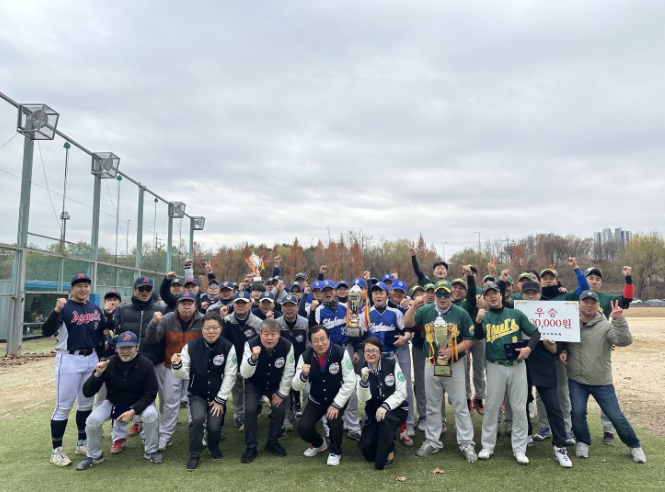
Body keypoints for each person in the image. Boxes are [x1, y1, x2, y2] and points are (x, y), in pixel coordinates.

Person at [560, 291, 646, 463]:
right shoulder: (570, 323)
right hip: (576, 380)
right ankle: (583, 441)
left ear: (598, 305)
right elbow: (563, 341)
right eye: (585, 301)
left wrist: (618, 320)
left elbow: (624, 341)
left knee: (615, 416)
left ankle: (634, 445)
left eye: (593, 302)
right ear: (579, 304)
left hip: (601, 381)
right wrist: (562, 350)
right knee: (577, 413)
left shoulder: (605, 325)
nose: (589, 305)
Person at [404, 280, 478, 463]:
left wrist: (453, 350)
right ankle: (433, 440)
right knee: (432, 404)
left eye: (446, 294)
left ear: (451, 295)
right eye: (439, 294)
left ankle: (466, 443)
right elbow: (408, 322)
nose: (442, 297)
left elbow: (471, 338)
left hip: (454, 363)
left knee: (460, 404)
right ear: (434, 295)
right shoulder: (426, 310)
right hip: (432, 362)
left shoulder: (460, 313)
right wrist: (414, 306)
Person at [474, 282, 541, 465]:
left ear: (501, 295)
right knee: (492, 407)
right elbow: (478, 336)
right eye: (488, 294)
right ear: (484, 298)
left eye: (495, 292)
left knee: (519, 407)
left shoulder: (515, 314)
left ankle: (519, 448)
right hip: (495, 365)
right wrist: (478, 321)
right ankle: (487, 446)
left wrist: (528, 348)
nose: (492, 296)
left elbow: (535, 333)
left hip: (517, 365)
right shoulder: (484, 317)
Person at [75, 331, 162, 469]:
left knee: (151, 415)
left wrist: (133, 411)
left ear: (137, 347)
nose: (125, 351)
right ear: (116, 347)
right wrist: (97, 374)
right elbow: (87, 392)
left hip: (139, 402)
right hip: (114, 402)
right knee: (92, 420)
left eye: (129, 347)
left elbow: (151, 394)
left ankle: (151, 451)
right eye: (122, 347)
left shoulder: (146, 364)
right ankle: (94, 455)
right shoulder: (108, 363)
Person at [41, 273, 104, 467]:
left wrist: (106, 351)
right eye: (79, 285)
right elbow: (46, 330)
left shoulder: (95, 309)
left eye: (86, 285)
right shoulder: (64, 308)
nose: (83, 289)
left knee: (86, 403)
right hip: (69, 358)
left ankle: (81, 442)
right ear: (72, 288)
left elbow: (103, 333)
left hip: (91, 358)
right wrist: (56, 310)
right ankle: (56, 450)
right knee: (64, 406)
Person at [171, 312, 237, 471]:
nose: (211, 331)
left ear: (220, 328)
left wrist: (220, 399)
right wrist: (177, 365)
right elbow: (182, 374)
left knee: (214, 427)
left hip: (217, 395)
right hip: (197, 394)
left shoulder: (228, 347)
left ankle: (214, 447)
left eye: (215, 327)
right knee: (197, 419)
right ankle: (195, 454)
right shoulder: (191, 347)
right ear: (202, 329)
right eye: (207, 328)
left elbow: (230, 375)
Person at [518, 281, 573, 468]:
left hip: (545, 363)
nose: (530, 296)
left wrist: (557, 349)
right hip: (523, 363)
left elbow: (562, 336)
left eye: (534, 293)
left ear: (539, 294)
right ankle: (526, 436)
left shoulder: (552, 309)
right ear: (522, 295)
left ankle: (560, 446)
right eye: (527, 293)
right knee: (522, 403)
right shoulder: (516, 310)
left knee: (553, 406)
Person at [110, 276, 166, 450]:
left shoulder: (160, 309)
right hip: (125, 361)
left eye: (148, 289)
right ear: (134, 290)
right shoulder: (123, 309)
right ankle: (119, 437)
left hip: (150, 361)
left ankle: (145, 433)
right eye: (141, 289)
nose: (145, 292)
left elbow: (164, 336)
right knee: (121, 397)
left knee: (148, 397)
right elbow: (111, 331)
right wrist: (112, 339)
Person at [145, 290, 203, 450]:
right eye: (183, 303)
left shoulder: (202, 319)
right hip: (171, 367)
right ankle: (165, 435)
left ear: (195, 305)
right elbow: (152, 339)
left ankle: (197, 435)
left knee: (194, 402)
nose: (186, 307)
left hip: (194, 368)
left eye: (190, 303)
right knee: (170, 403)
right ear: (178, 305)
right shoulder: (167, 318)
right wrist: (154, 323)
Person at [360, 282, 414, 447]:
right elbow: (360, 335)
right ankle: (372, 424)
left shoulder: (395, 312)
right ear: (371, 295)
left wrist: (406, 337)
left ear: (387, 295)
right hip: (373, 360)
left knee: (398, 391)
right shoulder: (366, 313)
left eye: (381, 292)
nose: (378, 295)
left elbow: (406, 329)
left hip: (391, 359)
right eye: (375, 292)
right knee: (372, 393)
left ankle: (403, 429)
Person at [584, 265, 634, 444]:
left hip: (601, 347)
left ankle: (608, 429)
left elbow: (627, 299)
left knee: (604, 388)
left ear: (601, 282)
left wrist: (628, 277)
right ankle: (576, 427)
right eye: (591, 278)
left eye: (597, 279)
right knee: (576, 391)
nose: (594, 281)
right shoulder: (575, 296)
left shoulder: (606, 298)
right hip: (578, 349)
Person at [293, 325, 357, 466]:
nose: (320, 343)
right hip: (316, 399)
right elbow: (296, 386)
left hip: (336, 398)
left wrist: (336, 404)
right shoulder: (305, 356)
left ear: (329, 339)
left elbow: (350, 381)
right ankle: (319, 444)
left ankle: (335, 451)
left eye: (323, 339)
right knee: (303, 427)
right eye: (315, 341)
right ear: (311, 342)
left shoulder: (341, 353)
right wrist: (303, 375)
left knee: (334, 422)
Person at [311, 279, 362, 440]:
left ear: (334, 291)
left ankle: (353, 427)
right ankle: (328, 429)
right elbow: (313, 331)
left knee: (351, 389)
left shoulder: (345, 307)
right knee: (328, 389)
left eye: (330, 290)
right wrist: (312, 311)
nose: (327, 293)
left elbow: (352, 329)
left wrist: (355, 350)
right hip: (328, 352)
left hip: (346, 348)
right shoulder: (319, 310)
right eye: (324, 291)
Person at [239, 319, 296, 463]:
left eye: (273, 334)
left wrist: (281, 394)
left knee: (279, 409)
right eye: (266, 334)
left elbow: (289, 372)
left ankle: (272, 442)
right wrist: (253, 358)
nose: (269, 338)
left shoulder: (287, 346)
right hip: (254, 384)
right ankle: (251, 446)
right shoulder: (250, 344)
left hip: (275, 384)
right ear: (260, 334)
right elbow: (244, 373)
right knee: (250, 410)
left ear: (279, 335)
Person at [357, 337, 408, 470]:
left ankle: (387, 452)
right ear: (363, 353)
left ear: (380, 352)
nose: (371, 354)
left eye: (374, 350)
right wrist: (363, 381)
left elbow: (402, 391)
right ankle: (385, 440)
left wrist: (386, 405)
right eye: (367, 351)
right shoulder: (360, 369)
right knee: (366, 447)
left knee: (386, 421)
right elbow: (362, 398)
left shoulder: (391, 364)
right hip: (374, 414)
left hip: (396, 409)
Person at [221, 290, 262, 429]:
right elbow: (221, 341)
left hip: (251, 363)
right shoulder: (226, 320)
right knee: (237, 390)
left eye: (243, 303)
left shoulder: (258, 323)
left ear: (250, 304)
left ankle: (253, 411)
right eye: (237, 303)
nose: (240, 305)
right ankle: (239, 414)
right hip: (233, 363)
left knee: (251, 390)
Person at [277, 294, 309, 425]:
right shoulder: (277, 323)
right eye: (286, 306)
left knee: (307, 391)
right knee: (284, 389)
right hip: (283, 364)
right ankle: (286, 417)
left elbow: (309, 346)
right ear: (281, 308)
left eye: (292, 305)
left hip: (303, 364)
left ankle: (307, 417)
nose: (289, 308)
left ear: (297, 307)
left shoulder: (305, 323)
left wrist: (306, 363)